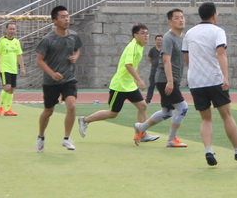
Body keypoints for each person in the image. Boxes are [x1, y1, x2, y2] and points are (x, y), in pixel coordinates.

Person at [182, 2, 237, 166]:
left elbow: (187, 58)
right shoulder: (218, 31)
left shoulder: (189, 33)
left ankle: (208, 150)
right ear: (214, 15)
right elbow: (221, 53)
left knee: (206, 119)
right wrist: (225, 76)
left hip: (196, 81)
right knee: (226, 116)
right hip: (214, 79)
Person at [78, 24, 159, 145]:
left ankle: (141, 134)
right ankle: (85, 120)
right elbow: (128, 65)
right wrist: (139, 80)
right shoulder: (132, 46)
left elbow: (134, 65)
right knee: (113, 113)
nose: (146, 35)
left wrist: (135, 80)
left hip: (129, 85)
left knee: (142, 106)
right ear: (135, 35)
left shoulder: (140, 46)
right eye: (143, 33)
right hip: (119, 86)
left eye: (147, 33)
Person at [134, 9, 188, 148]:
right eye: (177, 18)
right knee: (182, 108)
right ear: (170, 22)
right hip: (165, 79)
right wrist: (170, 81)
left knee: (167, 112)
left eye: (182, 17)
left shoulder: (183, 37)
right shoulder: (168, 38)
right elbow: (166, 60)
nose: (181, 20)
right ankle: (172, 139)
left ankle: (141, 127)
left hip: (171, 79)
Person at [36, 6, 82, 152]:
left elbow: (77, 49)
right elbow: (39, 60)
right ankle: (41, 136)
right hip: (51, 81)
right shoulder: (47, 39)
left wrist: (75, 56)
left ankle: (67, 138)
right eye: (63, 17)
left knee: (72, 106)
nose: (67, 19)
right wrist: (52, 74)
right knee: (48, 111)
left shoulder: (74, 35)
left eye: (67, 16)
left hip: (69, 78)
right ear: (55, 21)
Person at [0, 22, 26, 116]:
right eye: (10, 29)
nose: (12, 31)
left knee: (12, 89)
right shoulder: (1, 41)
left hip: (13, 69)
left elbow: (19, 55)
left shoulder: (16, 41)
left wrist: (22, 68)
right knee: (7, 87)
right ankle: (0, 107)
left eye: (13, 29)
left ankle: (7, 109)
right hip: (4, 68)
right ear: (6, 30)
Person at [145, 34, 163, 104]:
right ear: (155, 41)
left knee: (162, 85)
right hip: (154, 69)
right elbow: (150, 59)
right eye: (158, 40)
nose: (159, 41)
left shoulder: (164, 49)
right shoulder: (152, 50)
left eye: (160, 40)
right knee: (151, 85)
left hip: (162, 70)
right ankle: (148, 100)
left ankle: (166, 101)